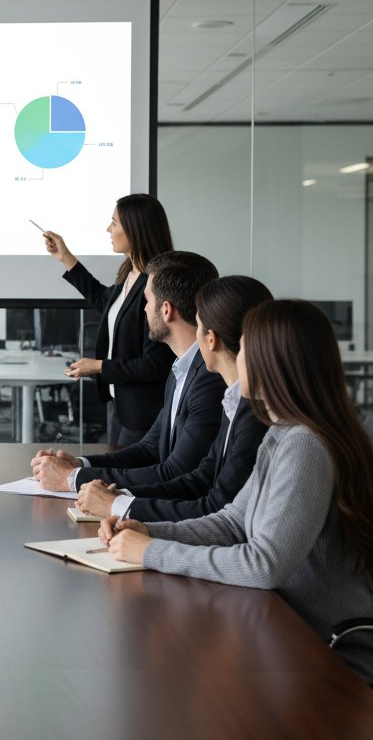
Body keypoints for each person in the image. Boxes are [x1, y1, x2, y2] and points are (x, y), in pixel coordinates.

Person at [99, 300, 373, 688]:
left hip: (349, 669)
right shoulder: (283, 432)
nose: (238, 356)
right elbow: (233, 523)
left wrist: (150, 552)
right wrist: (150, 531)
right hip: (299, 641)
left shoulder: (305, 445)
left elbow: (264, 565)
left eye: (244, 347)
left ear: (271, 361)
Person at [74, 275, 273, 521]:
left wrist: (119, 505)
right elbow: (202, 478)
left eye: (198, 326)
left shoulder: (248, 407)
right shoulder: (231, 398)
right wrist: (120, 497)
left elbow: (218, 507)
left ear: (211, 339)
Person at [32, 251, 224, 493]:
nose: (144, 310)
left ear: (166, 310)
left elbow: (175, 473)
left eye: (147, 301)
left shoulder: (209, 380)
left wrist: (72, 478)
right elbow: (149, 449)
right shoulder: (181, 369)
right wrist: (80, 464)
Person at [42, 194, 175, 448]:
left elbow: (153, 365)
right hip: (121, 404)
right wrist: (66, 257)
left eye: (114, 223)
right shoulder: (131, 273)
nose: (108, 229)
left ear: (135, 229)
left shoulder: (156, 284)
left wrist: (99, 366)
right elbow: (106, 302)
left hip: (143, 412)